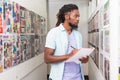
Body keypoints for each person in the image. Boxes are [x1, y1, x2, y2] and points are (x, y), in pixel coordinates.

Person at [44, 4, 89, 80]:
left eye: (79, 16)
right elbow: (47, 58)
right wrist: (69, 56)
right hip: (60, 78)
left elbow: (79, 57)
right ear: (66, 16)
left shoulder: (78, 35)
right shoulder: (54, 33)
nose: (78, 19)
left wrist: (85, 59)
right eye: (76, 16)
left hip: (78, 77)